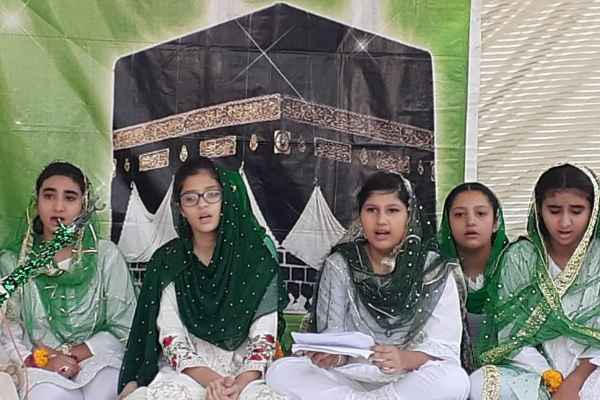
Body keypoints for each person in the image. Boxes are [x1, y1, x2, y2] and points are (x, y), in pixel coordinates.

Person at [266, 171, 470, 400]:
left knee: (454, 380)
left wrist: (403, 358)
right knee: (281, 371)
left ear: (409, 215)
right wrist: (333, 356)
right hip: (350, 375)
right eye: (372, 210)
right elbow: (333, 337)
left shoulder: (432, 269)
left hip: (408, 377)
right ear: (360, 215)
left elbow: (444, 348)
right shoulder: (341, 264)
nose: (381, 220)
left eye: (392, 211)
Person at [119, 157, 288, 400]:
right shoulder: (168, 260)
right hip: (188, 371)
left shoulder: (256, 259)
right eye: (191, 198)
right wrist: (213, 382)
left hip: (247, 373)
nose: (202, 205)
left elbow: (264, 336)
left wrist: (238, 384)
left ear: (226, 199)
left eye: (212, 194)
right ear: (180, 208)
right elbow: (172, 336)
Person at [0, 161, 137, 400]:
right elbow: (8, 334)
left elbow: (125, 327)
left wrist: (75, 353)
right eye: (49, 196)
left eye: (70, 198)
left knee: (107, 390)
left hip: (98, 357)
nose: (58, 207)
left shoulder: (105, 256)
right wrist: (42, 360)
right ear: (36, 202)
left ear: (83, 206)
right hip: (38, 365)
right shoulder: (15, 263)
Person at [470, 164, 600, 400]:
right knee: (482, 384)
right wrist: (549, 376)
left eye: (577, 210)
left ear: (593, 211)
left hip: (592, 370)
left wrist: (574, 382)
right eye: (554, 210)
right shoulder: (520, 257)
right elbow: (511, 335)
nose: (565, 222)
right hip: (533, 371)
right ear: (539, 209)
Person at [438, 183, 509, 364]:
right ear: (447, 222)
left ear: (496, 222)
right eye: (459, 215)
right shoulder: (434, 269)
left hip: (509, 365)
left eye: (481, 213)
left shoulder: (515, 265)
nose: (470, 221)